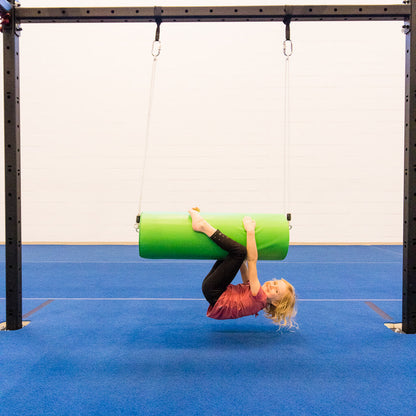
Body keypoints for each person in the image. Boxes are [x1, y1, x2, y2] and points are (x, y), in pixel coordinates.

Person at [188, 208, 297, 328]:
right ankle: (204, 225)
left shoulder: (260, 297)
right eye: (275, 282)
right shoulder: (258, 300)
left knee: (239, 252)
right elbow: (246, 277)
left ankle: (202, 226)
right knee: (233, 254)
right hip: (213, 292)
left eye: (276, 291)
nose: (272, 285)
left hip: (215, 292)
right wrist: (238, 260)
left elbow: (252, 261)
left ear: (276, 302)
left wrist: (250, 232)